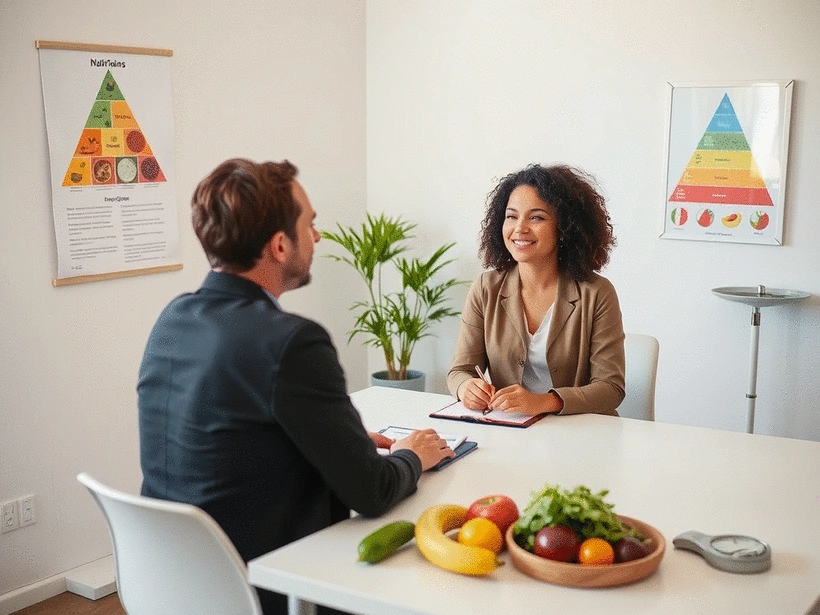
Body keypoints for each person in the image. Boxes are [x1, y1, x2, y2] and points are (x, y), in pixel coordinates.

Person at [138, 158, 454, 615]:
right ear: (280, 245)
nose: (319, 237)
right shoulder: (292, 341)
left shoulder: (173, 319)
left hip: (173, 582)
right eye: (312, 224)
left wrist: (337, 444)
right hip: (268, 584)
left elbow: (226, 442)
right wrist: (412, 455)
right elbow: (372, 492)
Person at [447, 163, 625, 417]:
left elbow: (611, 388)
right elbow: (459, 371)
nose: (519, 228)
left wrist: (543, 402)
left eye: (536, 217)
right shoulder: (485, 289)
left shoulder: (597, 293)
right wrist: (466, 387)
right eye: (511, 216)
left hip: (582, 434)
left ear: (564, 229)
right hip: (510, 430)